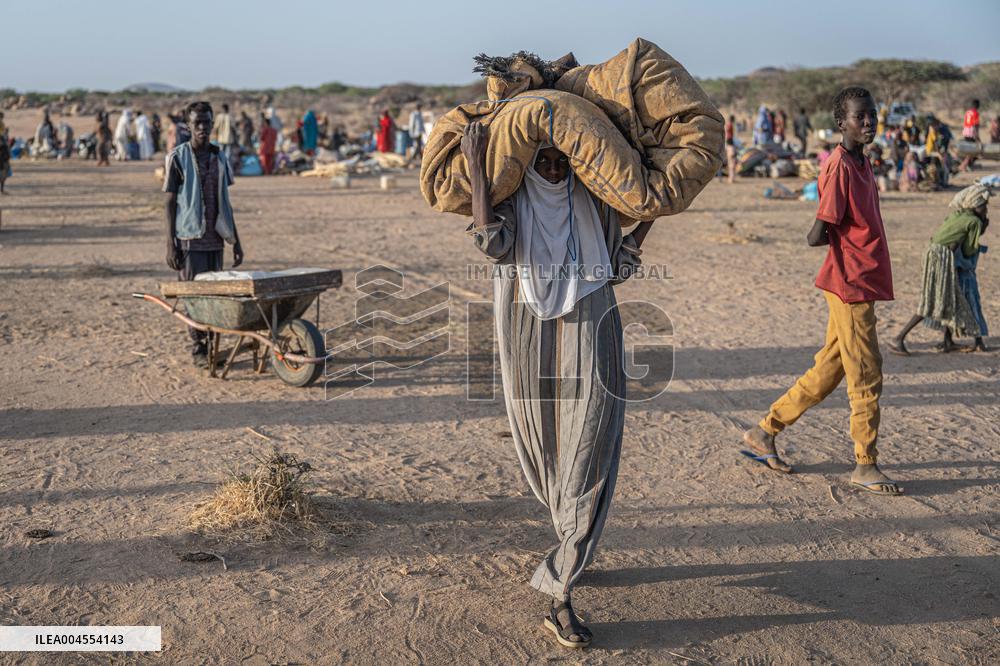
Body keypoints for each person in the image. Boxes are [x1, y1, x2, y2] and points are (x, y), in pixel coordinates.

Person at [462, 120, 648, 648]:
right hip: (525, 327)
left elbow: (620, 258)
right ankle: (572, 536)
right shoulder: (516, 202)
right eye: (541, 160)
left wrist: (652, 203)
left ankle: (560, 589)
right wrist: (476, 164)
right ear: (524, 166)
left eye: (561, 161)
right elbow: (493, 245)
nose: (551, 169)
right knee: (546, 446)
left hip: (593, 322)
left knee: (590, 444)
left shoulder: (593, 203)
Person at [741, 86, 902, 496]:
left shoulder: (862, 162)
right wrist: (833, 236)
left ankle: (764, 431)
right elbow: (818, 231)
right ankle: (866, 464)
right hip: (850, 283)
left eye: (872, 115)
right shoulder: (839, 167)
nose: (868, 122)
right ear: (841, 122)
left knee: (831, 369)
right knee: (866, 373)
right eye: (859, 116)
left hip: (858, 280)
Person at [163, 101, 244, 367]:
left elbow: (226, 200)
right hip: (188, 239)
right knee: (194, 296)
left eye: (207, 122)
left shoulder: (219, 157)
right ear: (187, 125)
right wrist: (170, 244)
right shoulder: (178, 157)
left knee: (215, 295)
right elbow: (169, 202)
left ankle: (212, 343)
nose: (202, 128)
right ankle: (198, 346)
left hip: (215, 239)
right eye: (197, 123)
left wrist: (236, 240)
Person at [890, 185, 990, 355]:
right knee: (934, 300)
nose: (986, 209)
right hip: (942, 258)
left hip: (932, 253)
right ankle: (898, 338)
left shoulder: (958, 215)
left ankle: (948, 341)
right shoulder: (974, 222)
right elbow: (968, 250)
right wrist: (983, 228)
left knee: (948, 296)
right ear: (975, 205)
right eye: (983, 206)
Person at [725, 113, 737, 184]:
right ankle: (731, 178)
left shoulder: (728, 125)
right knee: (732, 161)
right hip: (730, 144)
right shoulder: (730, 125)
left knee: (731, 162)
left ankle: (731, 178)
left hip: (729, 143)